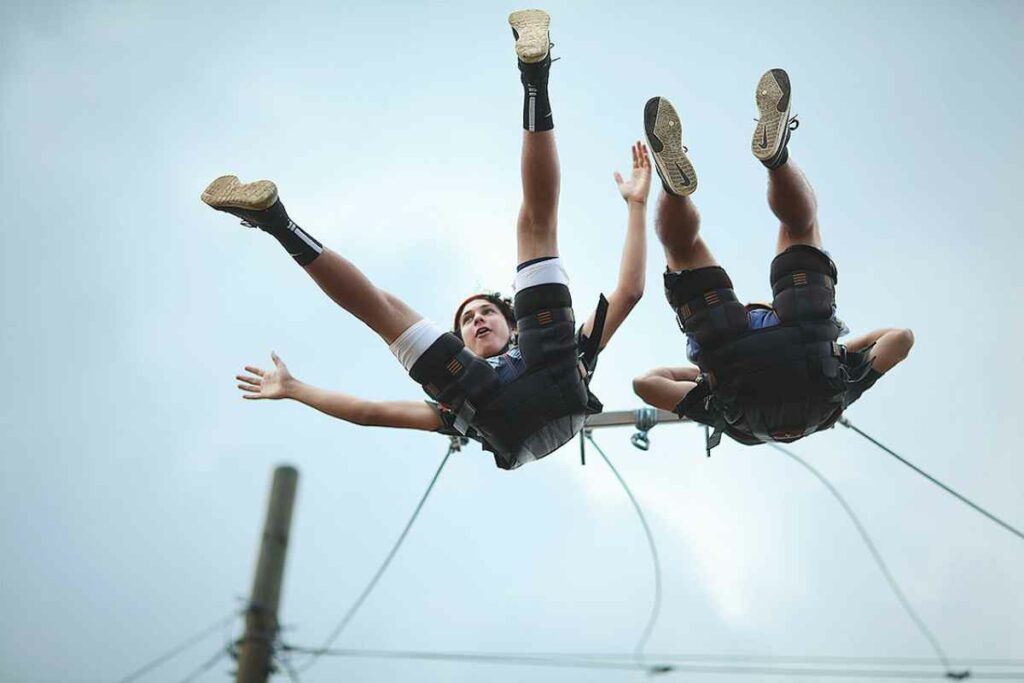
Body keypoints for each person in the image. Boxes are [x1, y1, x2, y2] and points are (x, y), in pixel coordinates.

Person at [204, 9, 652, 470]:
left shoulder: (536, 363)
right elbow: (631, 291)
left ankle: (277, 222)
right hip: (523, 391)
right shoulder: (550, 357)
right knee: (526, 233)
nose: (477, 320)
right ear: (462, 340)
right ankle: (534, 77)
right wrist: (637, 208)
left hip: (537, 383)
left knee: (390, 308)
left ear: (513, 325)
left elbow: (368, 414)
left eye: (485, 313)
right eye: (468, 319)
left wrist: (296, 389)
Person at [632, 69, 913, 452]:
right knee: (683, 253)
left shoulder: (836, 401)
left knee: (799, 226)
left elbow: (899, 339)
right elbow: (646, 383)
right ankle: (672, 190)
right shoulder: (732, 423)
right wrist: (704, 375)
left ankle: (777, 158)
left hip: (808, 338)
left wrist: (843, 352)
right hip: (727, 355)